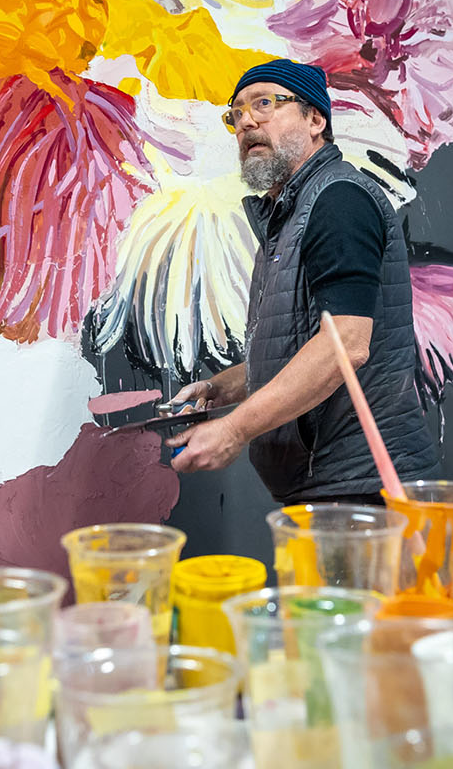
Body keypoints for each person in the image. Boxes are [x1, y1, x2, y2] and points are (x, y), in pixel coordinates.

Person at [165, 58, 439, 504]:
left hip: (364, 493)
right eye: (235, 114)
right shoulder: (291, 215)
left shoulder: (337, 200)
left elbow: (345, 345)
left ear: (316, 119)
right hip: (330, 488)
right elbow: (298, 351)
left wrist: (234, 429)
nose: (247, 121)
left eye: (266, 104)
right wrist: (221, 390)